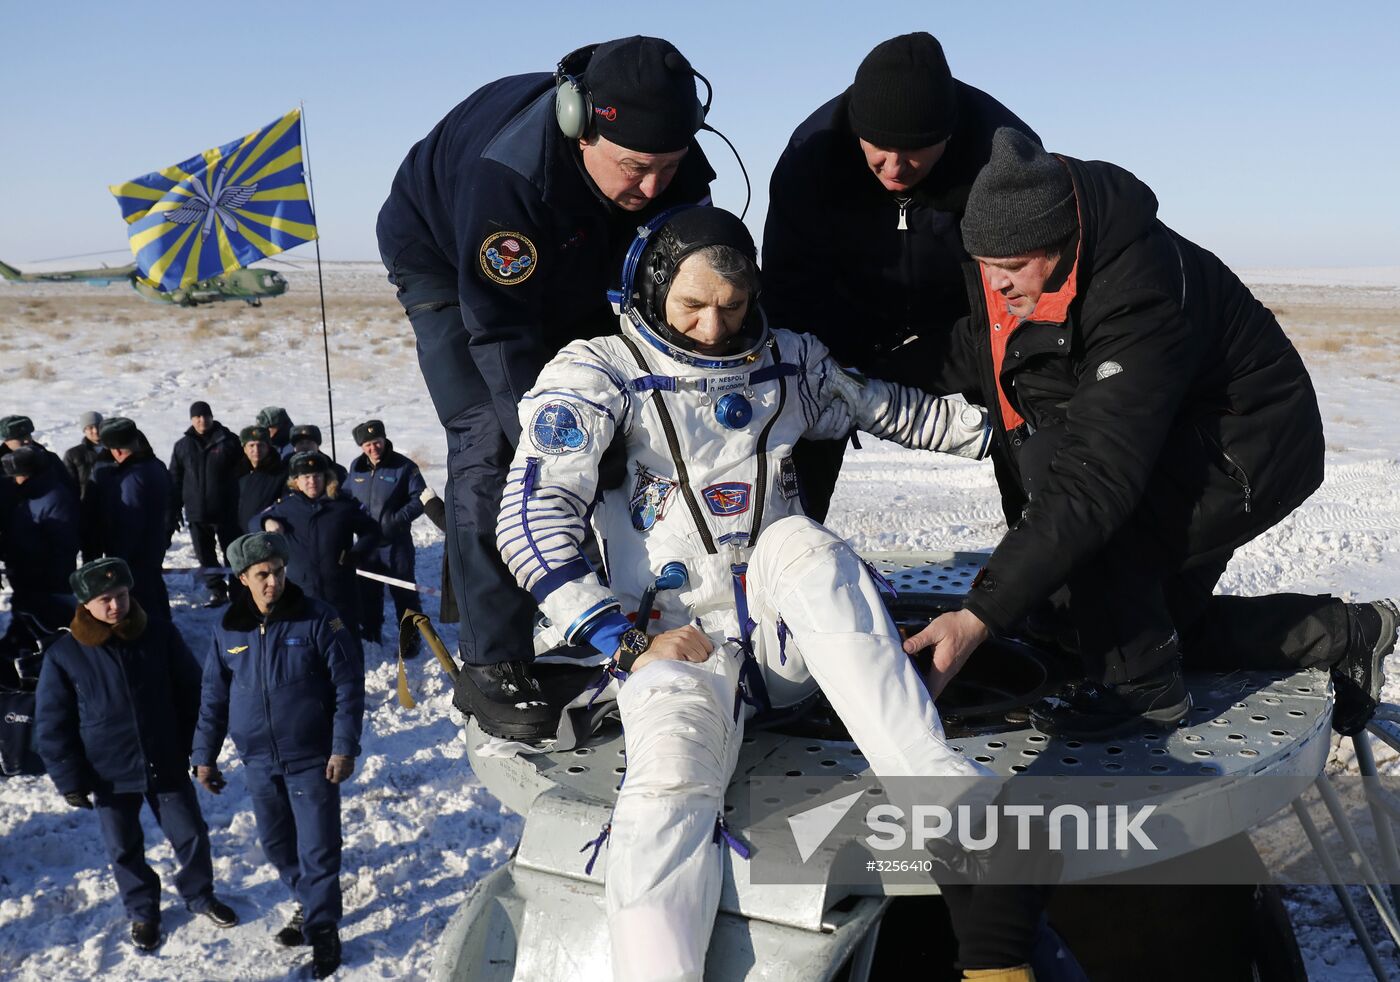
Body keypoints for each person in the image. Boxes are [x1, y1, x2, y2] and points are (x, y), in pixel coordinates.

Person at [495, 206, 1022, 978]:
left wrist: (1012, 426)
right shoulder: (598, 374)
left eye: (733, 308)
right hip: (670, 648)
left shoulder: (788, 363)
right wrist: (628, 644)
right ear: (648, 289)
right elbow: (529, 520)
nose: (714, 329)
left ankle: (935, 791)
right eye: (694, 307)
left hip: (781, 641)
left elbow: (894, 409)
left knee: (802, 542)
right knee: (666, 793)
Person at [902, 128, 1400, 739]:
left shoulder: (1140, 290)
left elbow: (1096, 480)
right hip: (1169, 432)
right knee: (1114, 627)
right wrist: (851, 366)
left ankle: (1142, 696)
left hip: (1245, 446)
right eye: (986, 267)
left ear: (1061, 241)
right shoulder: (1035, 260)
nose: (998, 285)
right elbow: (977, 350)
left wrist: (978, 615)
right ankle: (1345, 634)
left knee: (1098, 536)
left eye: (1011, 269)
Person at [376, 34, 717, 740]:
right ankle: (491, 660)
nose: (652, 188)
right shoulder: (509, 178)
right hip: (448, 264)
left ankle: (629, 601)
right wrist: (563, 437)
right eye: (634, 168)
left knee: (639, 417)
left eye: (668, 168)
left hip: (574, 257)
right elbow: (501, 336)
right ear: (578, 124)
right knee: (497, 446)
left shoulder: (671, 168)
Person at [763, 33, 1037, 521]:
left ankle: (1045, 579)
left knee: (1031, 421)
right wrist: (827, 371)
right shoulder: (811, 157)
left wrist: (914, 369)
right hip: (843, 319)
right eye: (879, 149)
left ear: (949, 136)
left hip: (967, 323)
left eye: (914, 151)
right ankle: (782, 561)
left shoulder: (1004, 156)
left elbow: (1018, 303)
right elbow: (790, 292)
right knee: (796, 422)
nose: (893, 167)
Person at [35, 558, 237, 953]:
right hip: (107, 772)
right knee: (123, 847)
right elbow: (52, 725)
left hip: (164, 758)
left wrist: (199, 751)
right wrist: (70, 779)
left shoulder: (159, 634)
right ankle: (143, 911)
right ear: (86, 604)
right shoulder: (65, 655)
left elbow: (192, 694)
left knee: (191, 834)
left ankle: (199, 894)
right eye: (105, 599)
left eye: (122, 596)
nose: (116, 606)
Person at [193, 533, 363, 979]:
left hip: (312, 758)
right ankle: (307, 902)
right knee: (276, 845)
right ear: (243, 578)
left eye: (279, 571)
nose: (273, 581)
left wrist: (343, 746)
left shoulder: (318, 619)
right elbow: (214, 697)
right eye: (263, 575)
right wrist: (204, 756)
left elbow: (348, 687)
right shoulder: (229, 627)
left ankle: (324, 927)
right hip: (258, 762)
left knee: (319, 849)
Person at [253, 451, 380, 636]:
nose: (312, 481)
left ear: (326, 477)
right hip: (303, 594)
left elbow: (372, 531)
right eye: (306, 477)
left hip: (338, 594)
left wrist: (357, 553)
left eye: (317, 476)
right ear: (296, 481)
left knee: (340, 637)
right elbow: (253, 522)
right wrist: (266, 522)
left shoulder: (342, 505)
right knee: (307, 643)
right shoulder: (285, 508)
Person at [83, 417, 173, 622]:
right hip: (152, 548)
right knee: (155, 595)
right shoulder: (156, 465)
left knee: (142, 606)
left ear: (116, 450)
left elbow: (128, 524)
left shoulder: (131, 479)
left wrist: (118, 559)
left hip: (133, 557)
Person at [345, 419, 425, 643]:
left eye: (377, 442)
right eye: (368, 444)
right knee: (368, 592)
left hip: (396, 543)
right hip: (368, 544)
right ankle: (372, 632)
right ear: (362, 447)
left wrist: (397, 520)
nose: (373, 448)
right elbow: (346, 495)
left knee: (404, 593)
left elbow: (421, 498)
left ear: (384, 439)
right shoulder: (356, 467)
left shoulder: (404, 467)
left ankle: (411, 639)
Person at [168, 401, 243, 607]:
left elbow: (243, 472)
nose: (202, 420)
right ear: (192, 420)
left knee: (233, 552)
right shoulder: (182, 446)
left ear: (212, 416)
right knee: (204, 554)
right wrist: (173, 509)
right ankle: (217, 590)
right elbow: (175, 478)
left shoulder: (229, 441)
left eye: (205, 416)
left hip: (227, 510)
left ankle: (239, 590)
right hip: (196, 512)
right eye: (197, 417)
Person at [1, 446, 80, 633]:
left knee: (50, 624)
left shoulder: (54, 498)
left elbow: (64, 544)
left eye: (17, 476)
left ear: (28, 474)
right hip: (27, 576)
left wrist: (51, 580)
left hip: (46, 581)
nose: (14, 480)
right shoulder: (30, 494)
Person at [236, 425, 287, 532]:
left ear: (268, 447)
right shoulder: (237, 472)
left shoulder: (280, 474)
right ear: (244, 449)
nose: (256, 450)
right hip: (239, 535)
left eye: (261, 445)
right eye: (251, 445)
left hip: (266, 534)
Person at [63, 410, 111, 500]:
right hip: (86, 505)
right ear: (84, 430)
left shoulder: (114, 449)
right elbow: (68, 485)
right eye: (90, 427)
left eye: (98, 426)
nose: (95, 431)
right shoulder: (73, 454)